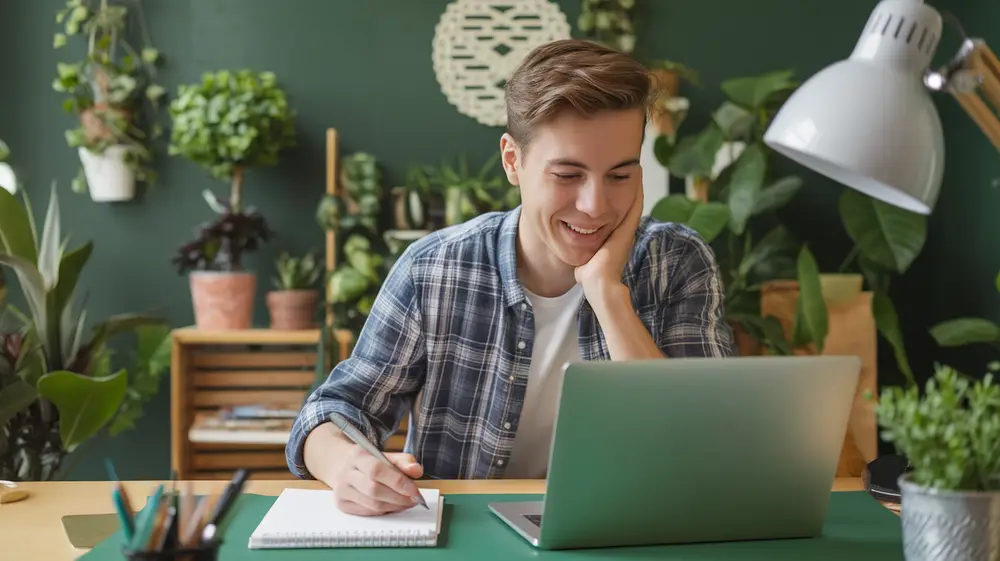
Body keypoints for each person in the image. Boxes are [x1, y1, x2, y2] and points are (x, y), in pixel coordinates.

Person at [286, 39, 736, 516]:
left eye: (620, 176)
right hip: (467, 535)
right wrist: (345, 465)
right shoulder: (435, 268)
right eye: (568, 175)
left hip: (626, 531)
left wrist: (608, 295)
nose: (594, 206)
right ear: (512, 161)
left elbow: (703, 446)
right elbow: (331, 412)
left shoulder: (677, 262)